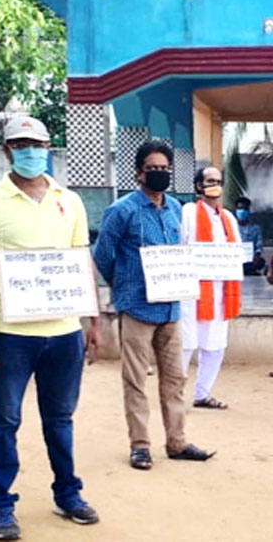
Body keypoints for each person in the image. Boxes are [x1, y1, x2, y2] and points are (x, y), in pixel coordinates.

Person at [0, 116, 101, 539]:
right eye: (21, 144)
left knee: (60, 418)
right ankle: (1, 505)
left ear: (48, 146)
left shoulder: (69, 201)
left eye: (37, 143)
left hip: (63, 333)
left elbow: (81, 261)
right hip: (9, 334)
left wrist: (92, 321)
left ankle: (67, 493)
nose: (31, 151)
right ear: (7, 151)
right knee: (4, 420)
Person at [93, 140, 215, 471]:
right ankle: (140, 446)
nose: (159, 174)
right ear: (138, 173)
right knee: (135, 380)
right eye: (152, 169)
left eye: (164, 169)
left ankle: (177, 441)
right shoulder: (122, 211)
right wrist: (125, 286)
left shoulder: (176, 209)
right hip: (136, 308)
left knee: (175, 379)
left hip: (171, 309)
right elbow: (102, 256)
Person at [180, 167, 241, 409]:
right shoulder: (188, 213)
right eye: (209, 181)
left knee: (215, 346)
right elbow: (180, 244)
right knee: (185, 344)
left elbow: (234, 254)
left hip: (221, 291)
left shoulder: (229, 218)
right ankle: (174, 396)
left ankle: (202, 394)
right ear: (198, 186)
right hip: (192, 288)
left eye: (218, 181)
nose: (214, 185)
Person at [235, 197, 265, 275]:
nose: (242, 211)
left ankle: (244, 269)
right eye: (239, 209)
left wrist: (257, 255)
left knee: (261, 262)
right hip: (234, 258)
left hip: (250, 259)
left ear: (248, 211)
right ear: (236, 210)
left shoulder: (255, 228)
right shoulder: (230, 227)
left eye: (244, 209)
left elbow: (259, 246)